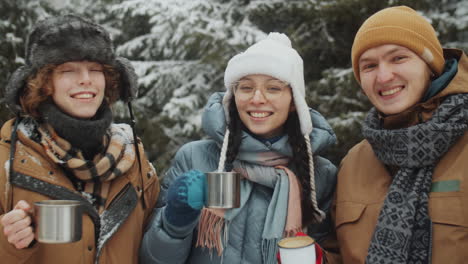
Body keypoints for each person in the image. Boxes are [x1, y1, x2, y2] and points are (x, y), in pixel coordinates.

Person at [139, 32, 337, 264]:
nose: (257, 98)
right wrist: (174, 222)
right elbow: (152, 260)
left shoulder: (320, 174)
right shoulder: (196, 159)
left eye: (273, 88)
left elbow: (332, 251)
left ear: (294, 102)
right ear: (233, 97)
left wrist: (316, 259)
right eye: (245, 88)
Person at [0, 14, 160, 263]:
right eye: (67, 70)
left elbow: (157, 252)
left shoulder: (135, 160)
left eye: (95, 69)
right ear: (42, 84)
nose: (86, 78)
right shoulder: (6, 161)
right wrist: (9, 244)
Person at [330, 5, 468, 264]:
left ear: (430, 65)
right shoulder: (353, 163)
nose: (384, 76)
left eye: (398, 58)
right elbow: (336, 252)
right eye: (369, 66)